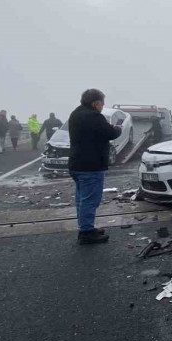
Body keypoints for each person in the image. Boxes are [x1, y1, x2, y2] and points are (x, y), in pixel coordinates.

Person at [69, 89, 121, 244]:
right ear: (95, 103)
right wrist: (117, 128)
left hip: (77, 164)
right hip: (90, 166)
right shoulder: (93, 116)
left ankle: (86, 227)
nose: (103, 106)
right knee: (90, 200)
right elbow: (110, 133)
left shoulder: (76, 113)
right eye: (102, 103)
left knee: (82, 199)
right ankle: (86, 232)